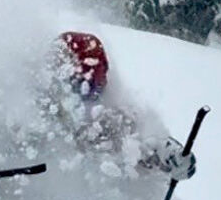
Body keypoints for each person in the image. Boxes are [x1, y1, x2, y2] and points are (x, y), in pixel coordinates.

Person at [31, 31, 197, 181]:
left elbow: (141, 141)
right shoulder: (25, 100)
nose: (89, 97)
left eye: (96, 87)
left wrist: (172, 156)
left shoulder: (106, 112)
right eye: (80, 85)